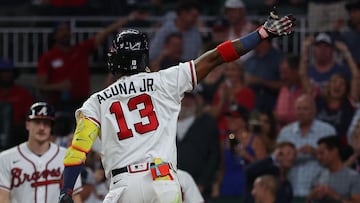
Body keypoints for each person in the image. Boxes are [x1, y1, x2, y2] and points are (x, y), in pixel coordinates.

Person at [58, 11, 295, 203]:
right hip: (163, 182)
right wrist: (261, 33)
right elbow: (215, 57)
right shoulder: (166, 80)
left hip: (123, 186)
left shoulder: (97, 100)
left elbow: (78, 150)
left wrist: (66, 191)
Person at [36, 15, 135, 113]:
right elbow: (41, 86)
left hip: (83, 103)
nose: (65, 33)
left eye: (67, 30)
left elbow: (104, 33)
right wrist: (58, 86)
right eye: (61, 30)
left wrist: (130, 17)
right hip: (59, 105)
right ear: (54, 35)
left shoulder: (81, 49)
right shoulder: (47, 57)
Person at [0, 102, 82, 203]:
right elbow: (3, 198)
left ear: (51, 127)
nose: (42, 127)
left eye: (46, 123)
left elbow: (75, 196)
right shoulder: (5, 158)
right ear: (27, 124)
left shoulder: (68, 156)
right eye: (37, 122)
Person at [277, 94, 336, 202]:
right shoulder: (285, 132)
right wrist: (291, 155)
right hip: (291, 191)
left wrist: (316, 153)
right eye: (299, 108)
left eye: (305, 108)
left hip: (318, 192)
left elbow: (334, 160)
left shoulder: (327, 130)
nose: (301, 112)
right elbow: (277, 159)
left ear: (314, 111)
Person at [176, 92, 220, 200]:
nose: (185, 102)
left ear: (197, 100)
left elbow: (214, 156)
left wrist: (203, 183)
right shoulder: (167, 121)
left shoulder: (207, 122)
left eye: (190, 98)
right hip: (172, 185)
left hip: (200, 187)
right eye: (183, 98)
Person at [306, 136, 360, 203]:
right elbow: (307, 201)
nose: (318, 157)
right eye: (317, 154)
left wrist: (335, 196)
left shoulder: (354, 177)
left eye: (322, 153)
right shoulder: (318, 176)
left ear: (334, 152)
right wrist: (312, 195)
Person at [0, 58, 33, 149]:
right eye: (3, 72)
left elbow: (29, 116)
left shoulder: (23, 93)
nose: (6, 75)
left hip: (17, 132)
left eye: (9, 72)